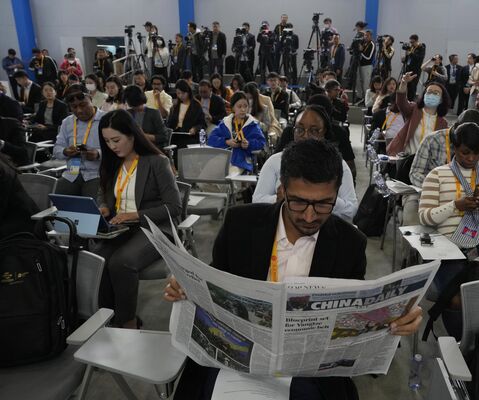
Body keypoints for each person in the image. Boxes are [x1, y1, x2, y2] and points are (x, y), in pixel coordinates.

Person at [168, 138, 422, 400]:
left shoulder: (349, 243)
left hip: (306, 371)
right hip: (238, 359)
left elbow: (356, 315)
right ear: (282, 191)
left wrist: (395, 320)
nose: (310, 216)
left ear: (336, 195)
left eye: (324, 204)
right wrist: (187, 286)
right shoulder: (241, 224)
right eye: (299, 202)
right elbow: (215, 281)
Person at [94, 109, 181, 329]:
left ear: (132, 135)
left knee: (121, 262)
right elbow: (102, 192)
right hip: (120, 226)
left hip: (153, 227)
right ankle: (108, 318)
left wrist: (135, 215)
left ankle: (128, 322)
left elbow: (174, 207)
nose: (112, 146)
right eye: (107, 141)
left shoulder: (156, 162)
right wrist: (104, 206)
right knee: (96, 259)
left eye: (116, 140)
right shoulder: (113, 163)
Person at [419, 122, 479, 337]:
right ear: (454, 148)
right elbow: (425, 217)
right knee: (458, 298)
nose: (471, 159)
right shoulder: (437, 175)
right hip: (447, 249)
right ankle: (464, 346)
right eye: (465, 153)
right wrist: (455, 206)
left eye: (476, 153)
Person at [254, 104, 358, 221]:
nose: (306, 136)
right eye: (300, 129)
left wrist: (326, 200)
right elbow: (257, 199)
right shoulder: (276, 161)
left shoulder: (338, 164)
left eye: (314, 130)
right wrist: (278, 198)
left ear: (324, 133)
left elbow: (351, 209)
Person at [52, 84, 105, 197]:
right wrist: (65, 151)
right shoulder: (67, 122)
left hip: (97, 173)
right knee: (58, 201)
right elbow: (56, 149)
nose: (79, 110)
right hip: (72, 172)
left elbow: (118, 150)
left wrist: (98, 154)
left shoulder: (106, 120)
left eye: (83, 105)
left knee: (92, 206)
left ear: (91, 99)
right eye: (74, 107)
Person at [386, 72, 450, 157]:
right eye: (429, 92)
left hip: (427, 163)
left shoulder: (443, 123)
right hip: (407, 159)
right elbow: (401, 102)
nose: (431, 95)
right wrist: (404, 82)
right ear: (424, 95)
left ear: (441, 100)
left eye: (436, 93)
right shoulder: (414, 110)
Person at [207, 92, 266, 173]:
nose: (243, 109)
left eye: (245, 106)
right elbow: (211, 139)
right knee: (208, 173)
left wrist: (248, 144)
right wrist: (226, 142)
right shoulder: (225, 122)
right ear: (233, 108)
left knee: (230, 176)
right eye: (239, 106)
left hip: (242, 160)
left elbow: (261, 142)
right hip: (223, 157)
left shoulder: (252, 124)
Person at [166, 79, 207, 149]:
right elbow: (170, 123)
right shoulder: (175, 106)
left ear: (188, 92)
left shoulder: (196, 105)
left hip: (190, 137)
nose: (181, 96)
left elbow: (202, 124)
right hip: (176, 136)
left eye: (183, 93)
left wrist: (195, 128)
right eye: (178, 93)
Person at [402, 34, 426, 101]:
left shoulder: (422, 47)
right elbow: (409, 58)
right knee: (406, 85)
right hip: (408, 68)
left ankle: (411, 101)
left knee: (412, 87)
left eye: (412, 42)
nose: (411, 44)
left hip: (415, 70)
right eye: (410, 42)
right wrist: (405, 59)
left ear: (417, 41)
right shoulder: (411, 47)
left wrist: (410, 53)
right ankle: (405, 100)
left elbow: (419, 58)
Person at [357, 29, 375, 103]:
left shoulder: (372, 44)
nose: (365, 37)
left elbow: (369, 57)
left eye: (367, 35)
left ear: (371, 36)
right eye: (365, 35)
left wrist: (361, 51)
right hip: (360, 65)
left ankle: (366, 100)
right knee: (359, 82)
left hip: (367, 66)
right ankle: (359, 97)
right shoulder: (364, 43)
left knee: (365, 84)